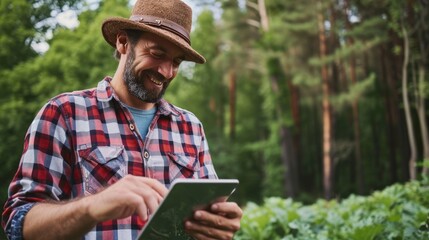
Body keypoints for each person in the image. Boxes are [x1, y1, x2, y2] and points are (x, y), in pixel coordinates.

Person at [1, 0, 243, 239]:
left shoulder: (191, 127)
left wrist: (217, 225)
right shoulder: (62, 114)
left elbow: (206, 218)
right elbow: (18, 226)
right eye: (157, 53)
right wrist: (93, 206)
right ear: (123, 42)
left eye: (176, 62)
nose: (167, 71)